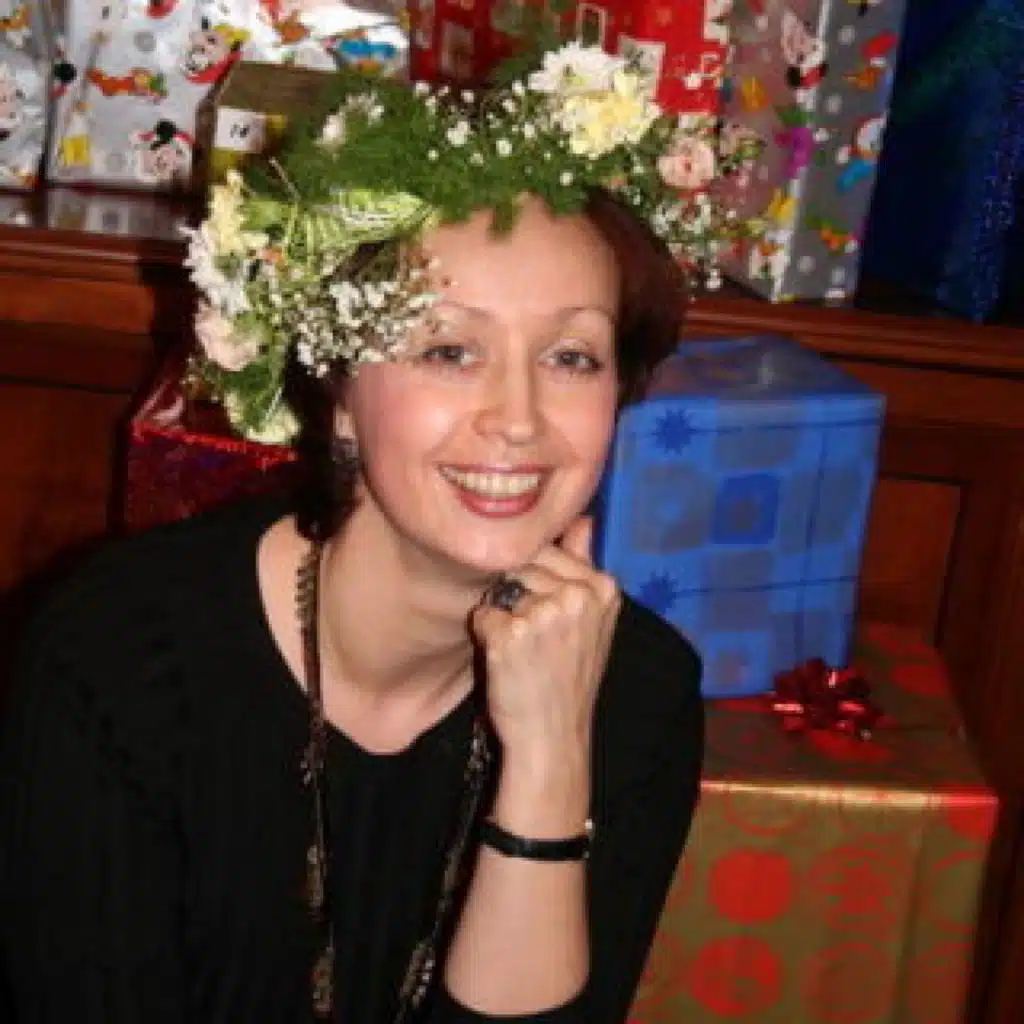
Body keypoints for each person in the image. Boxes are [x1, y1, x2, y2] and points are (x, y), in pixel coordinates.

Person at [0, 42, 710, 1023]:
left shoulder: (636, 691)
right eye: (449, 350)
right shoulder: (118, 663)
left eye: (571, 358)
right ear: (339, 397)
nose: (518, 418)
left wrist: (549, 762)